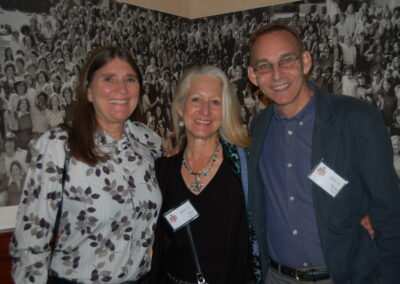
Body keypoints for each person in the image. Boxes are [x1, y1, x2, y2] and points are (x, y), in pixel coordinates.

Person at [246, 24, 400, 284]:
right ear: (253, 75)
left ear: (306, 61)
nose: (277, 74)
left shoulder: (357, 119)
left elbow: (390, 212)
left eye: (287, 61)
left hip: (343, 277)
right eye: (264, 66)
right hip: (275, 276)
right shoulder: (259, 126)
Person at [10, 46, 162, 283]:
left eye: (130, 79)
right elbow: (30, 245)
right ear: (89, 91)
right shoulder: (58, 146)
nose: (121, 89)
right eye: (109, 79)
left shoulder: (148, 143)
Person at [151, 65, 257, 283]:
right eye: (196, 100)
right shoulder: (162, 170)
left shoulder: (244, 166)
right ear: (181, 107)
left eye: (215, 102)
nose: (205, 111)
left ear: (225, 110)